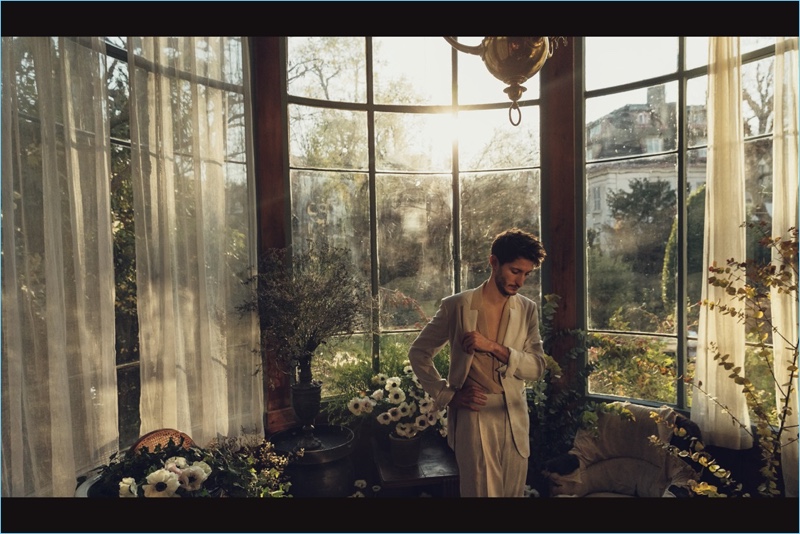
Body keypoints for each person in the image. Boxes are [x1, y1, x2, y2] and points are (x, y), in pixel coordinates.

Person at [408, 228, 548, 497]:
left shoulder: (527, 308)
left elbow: (537, 367)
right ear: (493, 262)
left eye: (527, 274)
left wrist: (494, 347)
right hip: (476, 415)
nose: (520, 281)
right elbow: (419, 353)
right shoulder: (457, 306)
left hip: (515, 415)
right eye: (515, 271)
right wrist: (448, 395)